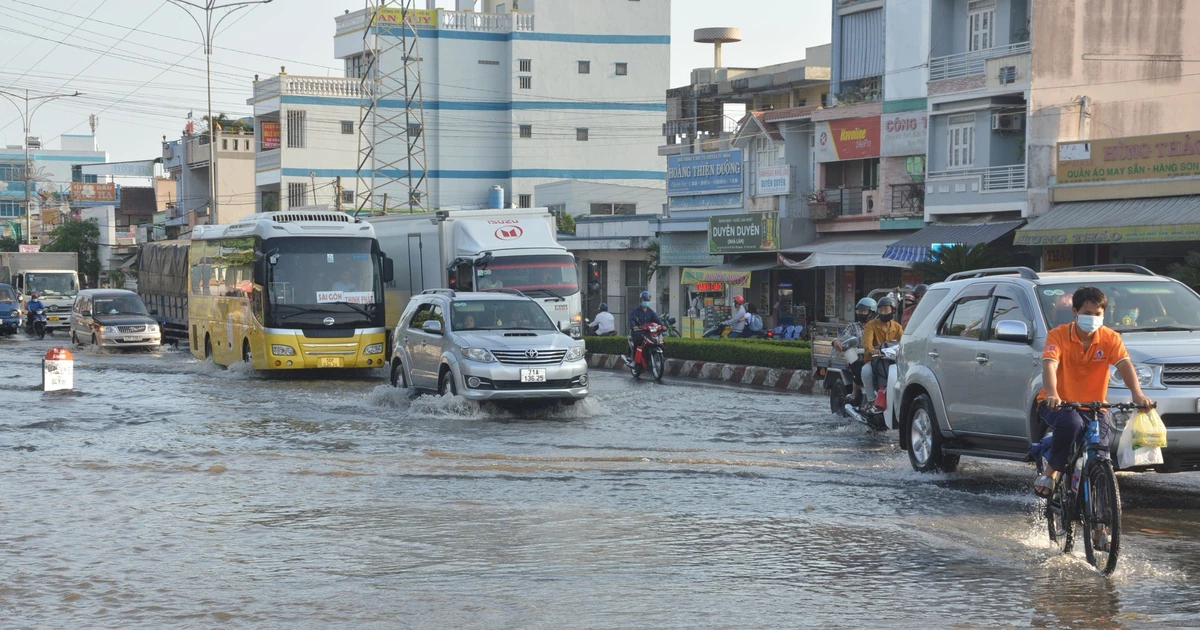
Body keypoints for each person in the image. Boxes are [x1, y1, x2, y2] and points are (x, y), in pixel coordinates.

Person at [1033, 286, 1153, 498]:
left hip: (1096, 406)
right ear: (1075, 312)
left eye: (1098, 314)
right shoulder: (1058, 335)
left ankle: (1099, 514)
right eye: (1087, 313)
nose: (1093, 318)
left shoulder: (1110, 338)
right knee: (1072, 423)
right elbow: (1049, 365)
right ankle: (1051, 471)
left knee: (1100, 452)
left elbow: (1124, 364)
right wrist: (1052, 393)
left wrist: (1137, 393)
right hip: (1059, 404)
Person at [861, 295, 904, 412]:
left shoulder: (898, 327)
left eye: (886, 310)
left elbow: (903, 343)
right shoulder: (871, 325)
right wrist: (872, 350)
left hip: (892, 362)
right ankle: (871, 400)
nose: (883, 312)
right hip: (875, 360)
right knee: (866, 371)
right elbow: (867, 343)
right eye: (880, 310)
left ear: (893, 311)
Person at [833, 297, 876, 403]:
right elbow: (842, 339)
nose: (861, 313)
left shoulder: (877, 326)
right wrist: (835, 342)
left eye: (864, 311)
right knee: (862, 372)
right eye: (859, 311)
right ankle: (854, 394)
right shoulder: (852, 326)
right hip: (857, 359)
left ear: (871, 313)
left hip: (874, 359)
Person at [627, 290, 664, 360]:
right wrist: (634, 326)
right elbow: (631, 319)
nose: (646, 302)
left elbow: (657, 319)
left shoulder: (651, 312)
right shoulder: (636, 311)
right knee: (637, 342)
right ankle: (634, 359)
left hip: (648, 332)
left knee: (661, 342)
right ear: (641, 300)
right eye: (645, 300)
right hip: (638, 332)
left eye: (647, 300)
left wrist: (662, 326)